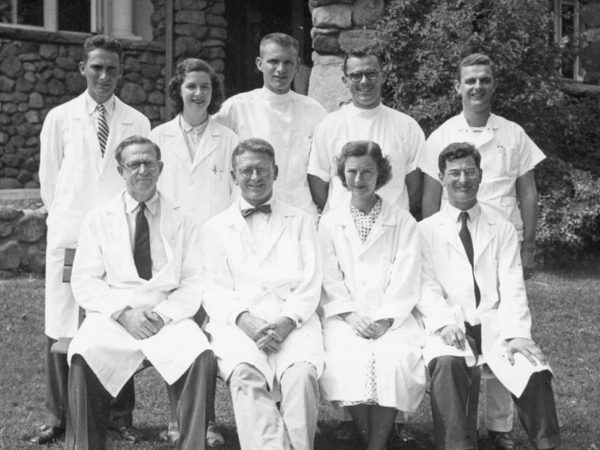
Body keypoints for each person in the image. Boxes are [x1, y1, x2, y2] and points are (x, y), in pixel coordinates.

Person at [419, 53, 546, 449]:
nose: (477, 87)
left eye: (484, 80)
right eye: (470, 80)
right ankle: (462, 434)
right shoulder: (440, 135)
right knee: (461, 344)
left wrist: (528, 245)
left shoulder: (513, 133)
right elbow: (429, 197)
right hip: (452, 238)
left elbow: (527, 190)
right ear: (458, 86)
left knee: (504, 325)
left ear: (493, 85)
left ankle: (500, 428)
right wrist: (429, 237)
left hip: (499, 236)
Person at [65, 136, 216, 450]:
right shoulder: (98, 219)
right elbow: (85, 281)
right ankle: (86, 445)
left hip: (167, 315)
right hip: (115, 316)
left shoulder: (183, 218)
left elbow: (194, 281)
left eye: (149, 163)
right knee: (84, 352)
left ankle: (192, 445)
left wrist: (162, 315)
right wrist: (123, 313)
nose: (143, 170)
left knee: (200, 355)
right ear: (121, 170)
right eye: (134, 164)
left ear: (160, 167)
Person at [35, 34, 150, 445]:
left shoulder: (136, 121)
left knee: (117, 317)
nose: (104, 76)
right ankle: (58, 417)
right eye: (97, 67)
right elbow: (50, 181)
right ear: (82, 68)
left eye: (112, 69)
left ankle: (120, 415)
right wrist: (70, 221)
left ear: (121, 72)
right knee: (62, 322)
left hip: (116, 235)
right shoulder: (60, 118)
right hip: (71, 232)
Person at [201, 138, 324, 450]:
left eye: (262, 170)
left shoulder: (301, 221)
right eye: (246, 171)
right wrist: (245, 321)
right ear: (233, 176)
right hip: (239, 324)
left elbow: (310, 282)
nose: (254, 177)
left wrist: (286, 321)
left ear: (276, 172)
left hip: (293, 321)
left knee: (301, 377)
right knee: (245, 376)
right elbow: (212, 287)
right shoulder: (215, 228)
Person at [149, 57, 237, 448]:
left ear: (212, 91)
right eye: (191, 86)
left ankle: (210, 421)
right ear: (178, 91)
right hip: (173, 251)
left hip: (215, 252)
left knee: (209, 335)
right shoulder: (159, 137)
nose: (198, 93)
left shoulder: (228, 139)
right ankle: (176, 418)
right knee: (176, 334)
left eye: (204, 86)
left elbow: (236, 200)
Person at [318, 140, 426, 450]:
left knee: (392, 362)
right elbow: (330, 278)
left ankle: (375, 445)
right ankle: (371, 440)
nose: (359, 179)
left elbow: (407, 277)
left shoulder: (403, 221)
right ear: (342, 175)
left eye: (367, 172)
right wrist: (351, 316)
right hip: (345, 317)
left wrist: (384, 320)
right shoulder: (329, 222)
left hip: (392, 317)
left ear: (380, 174)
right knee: (345, 360)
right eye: (351, 172)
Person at [214, 32, 326, 217]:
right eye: (273, 61)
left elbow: (323, 168)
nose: (280, 69)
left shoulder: (314, 111)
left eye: (288, 62)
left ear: (297, 65)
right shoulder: (236, 107)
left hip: (298, 214)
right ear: (260, 63)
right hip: (249, 212)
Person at [307, 50, 424, 218]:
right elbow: (318, 183)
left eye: (371, 74)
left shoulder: (407, 126)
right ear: (345, 80)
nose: (364, 81)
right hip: (343, 231)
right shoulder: (328, 126)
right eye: (356, 76)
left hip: (393, 229)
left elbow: (415, 186)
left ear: (382, 76)